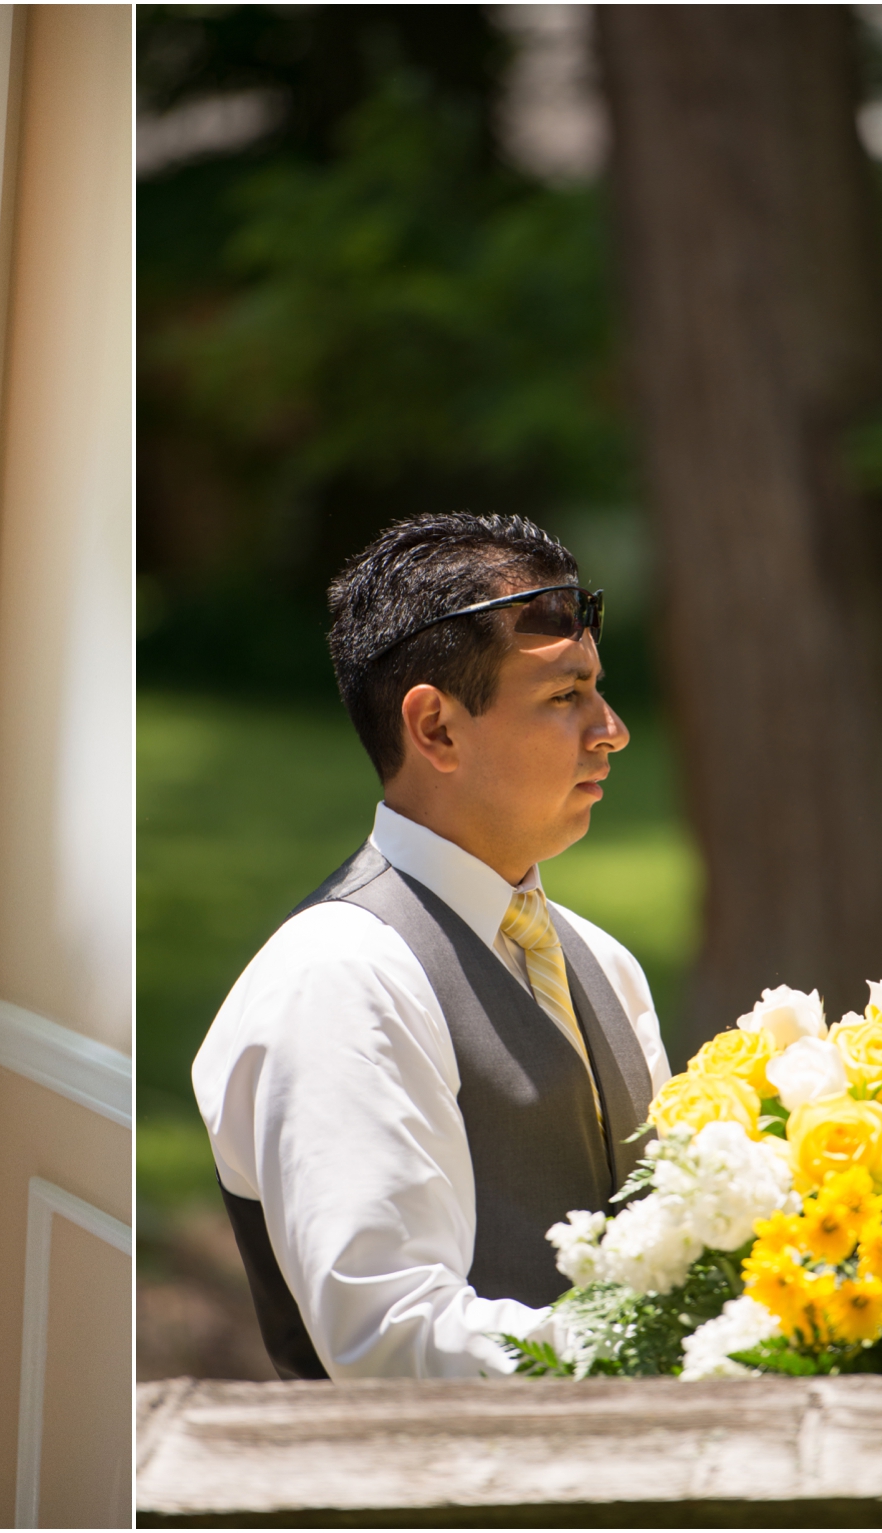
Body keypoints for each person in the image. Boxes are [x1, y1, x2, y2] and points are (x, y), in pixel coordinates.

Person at [192, 512, 672, 1379]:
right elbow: (394, 1340)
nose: (612, 728)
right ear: (436, 728)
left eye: (595, 689)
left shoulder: (606, 964)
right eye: (565, 697)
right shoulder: (339, 980)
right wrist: (682, 1347)